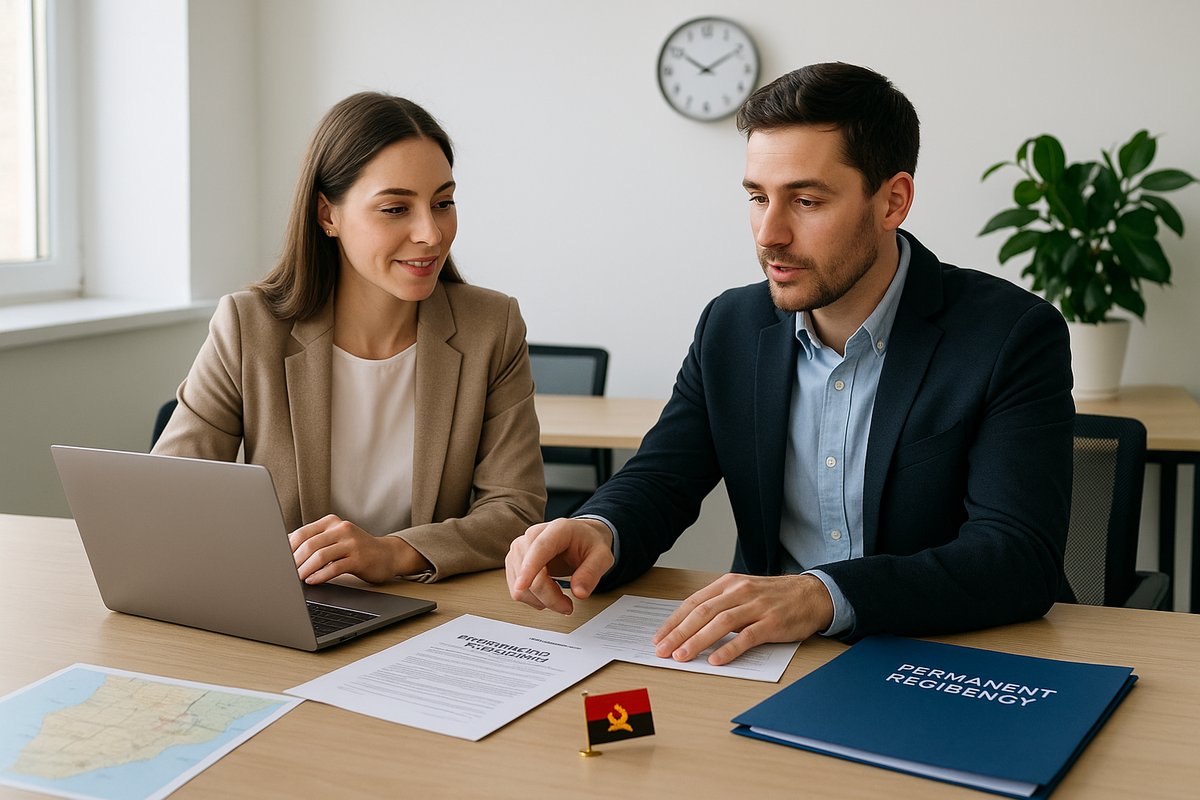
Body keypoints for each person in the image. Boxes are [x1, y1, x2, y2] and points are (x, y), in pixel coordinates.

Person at [506, 63, 1073, 665]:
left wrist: (822, 596)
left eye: (805, 200)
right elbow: (662, 479)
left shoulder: (1010, 334)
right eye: (757, 197)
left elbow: (1018, 556)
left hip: (944, 653)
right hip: (766, 658)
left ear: (892, 201)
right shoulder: (731, 326)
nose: (769, 233)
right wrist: (598, 529)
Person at [155, 92, 545, 585]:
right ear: (328, 216)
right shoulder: (248, 327)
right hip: (290, 606)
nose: (431, 233)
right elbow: (169, 494)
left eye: (443, 202)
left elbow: (516, 509)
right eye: (395, 209)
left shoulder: (492, 326)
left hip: (431, 612)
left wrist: (394, 553)